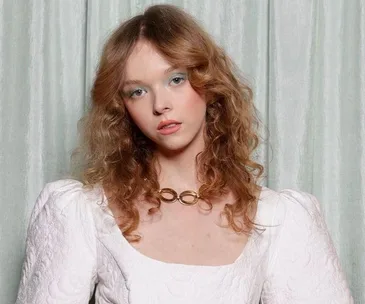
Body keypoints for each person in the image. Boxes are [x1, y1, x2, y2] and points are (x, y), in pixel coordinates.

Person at [16, 4, 354, 304]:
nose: (160, 104)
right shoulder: (82, 213)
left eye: (175, 79)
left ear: (207, 82)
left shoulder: (278, 220)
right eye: (138, 91)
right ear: (123, 108)